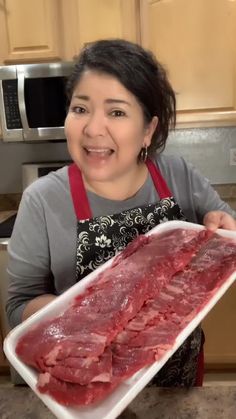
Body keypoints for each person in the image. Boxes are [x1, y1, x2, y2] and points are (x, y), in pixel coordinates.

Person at [6, 39, 236, 387]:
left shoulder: (178, 175)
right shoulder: (42, 200)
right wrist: (88, 321)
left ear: (148, 130)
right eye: (80, 108)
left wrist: (224, 227)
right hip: (90, 383)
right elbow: (18, 307)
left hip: (176, 381)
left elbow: (226, 227)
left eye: (116, 112)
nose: (93, 129)